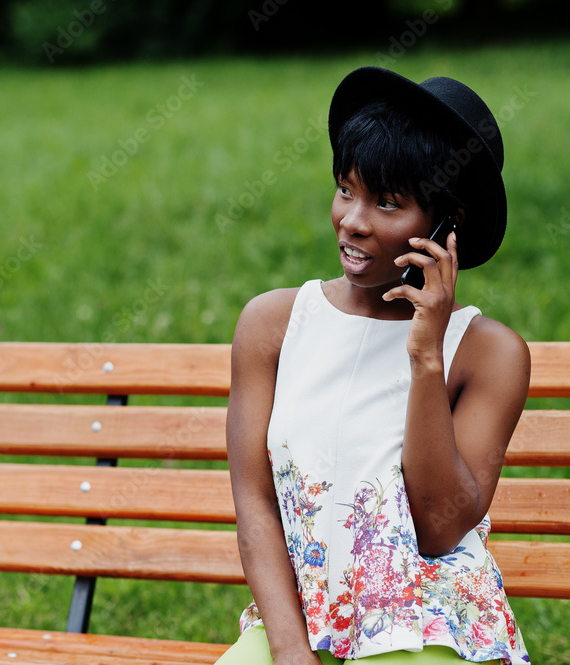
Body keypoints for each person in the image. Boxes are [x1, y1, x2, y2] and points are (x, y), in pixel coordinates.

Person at [217, 67, 531, 665]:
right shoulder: (271, 325)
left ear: (447, 225)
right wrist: (287, 649)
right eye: (346, 189)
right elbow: (254, 500)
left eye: (388, 203)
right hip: (300, 624)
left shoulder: (489, 354)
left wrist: (425, 356)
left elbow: (439, 527)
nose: (354, 221)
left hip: (425, 625)